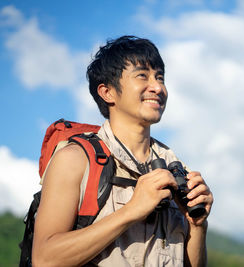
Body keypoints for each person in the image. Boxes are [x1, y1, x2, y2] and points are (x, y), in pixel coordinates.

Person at [32, 35, 213, 266]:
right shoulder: (75, 159)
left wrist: (197, 225)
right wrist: (132, 211)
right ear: (107, 92)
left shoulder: (176, 170)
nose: (157, 87)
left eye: (160, 77)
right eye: (142, 76)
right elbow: (44, 259)